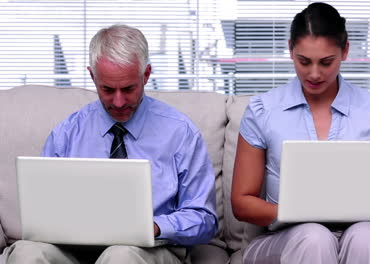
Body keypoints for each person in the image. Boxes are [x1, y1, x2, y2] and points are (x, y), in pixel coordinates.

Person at [5, 24, 217, 264]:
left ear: (146, 75)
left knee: (120, 255)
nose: (118, 102)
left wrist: (155, 226)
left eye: (128, 89)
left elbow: (205, 218)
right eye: (107, 89)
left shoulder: (181, 134)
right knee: (26, 252)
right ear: (93, 76)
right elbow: (41, 214)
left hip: (146, 251)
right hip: (74, 251)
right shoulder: (67, 133)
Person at [231, 2, 370, 264]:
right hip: (286, 237)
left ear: (345, 51)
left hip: (358, 232)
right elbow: (242, 203)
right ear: (290, 50)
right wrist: (296, 212)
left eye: (326, 62)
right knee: (314, 237)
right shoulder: (263, 110)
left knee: (368, 237)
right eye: (304, 61)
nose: (314, 73)